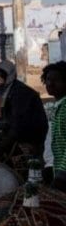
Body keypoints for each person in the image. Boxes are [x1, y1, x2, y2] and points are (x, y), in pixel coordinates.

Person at [0, 60, 48, 174]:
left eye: (0, 76)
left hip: (29, 135)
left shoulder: (20, 93)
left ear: (8, 76)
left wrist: (1, 146)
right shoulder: (5, 88)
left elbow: (18, 125)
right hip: (12, 129)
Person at [42, 61, 66, 190]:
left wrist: (62, 174)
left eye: (56, 80)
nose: (50, 83)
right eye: (48, 79)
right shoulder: (57, 106)